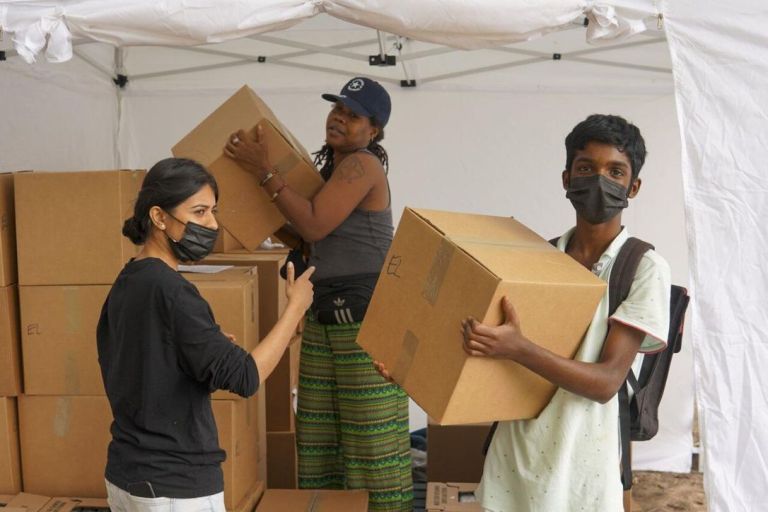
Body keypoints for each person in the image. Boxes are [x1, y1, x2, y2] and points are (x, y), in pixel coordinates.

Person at [460, 114, 672, 511]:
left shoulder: (642, 267)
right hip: (514, 457)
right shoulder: (537, 257)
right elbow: (491, 351)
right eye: (586, 168)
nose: (599, 180)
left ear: (634, 186)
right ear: (566, 178)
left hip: (581, 470)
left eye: (615, 171)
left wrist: (519, 348)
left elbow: (607, 381)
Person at [224, 77, 412, 512]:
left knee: (372, 445)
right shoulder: (331, 170)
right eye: (337, 109)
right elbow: (310, 236)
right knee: (318, 442)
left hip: (365, 322)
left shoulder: (362, 165)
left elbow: (312, 225)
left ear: (374, 130)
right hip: (327, 315)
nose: (339, 118)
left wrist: (263, 171)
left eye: (353, 114)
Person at [97, 157, 314, 512]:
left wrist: (201, 355)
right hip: (174, 487)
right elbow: (246, 377)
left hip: (126, 477)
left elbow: (145, 369)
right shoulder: (173, 292)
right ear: (158, 217)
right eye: (199, 212)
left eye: (213, 211)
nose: (212, 224)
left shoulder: (128, 280)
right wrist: (295, 308)